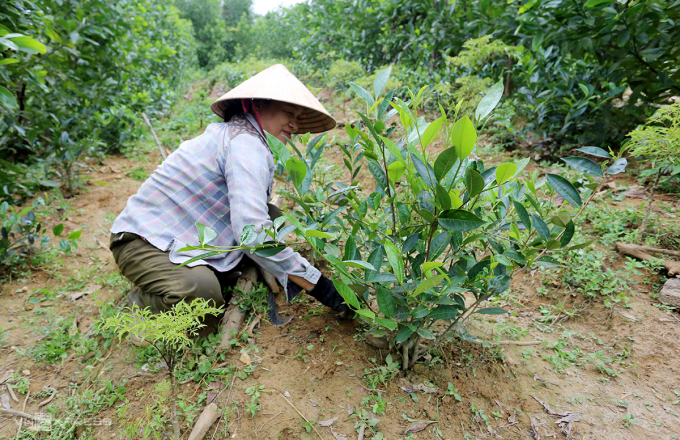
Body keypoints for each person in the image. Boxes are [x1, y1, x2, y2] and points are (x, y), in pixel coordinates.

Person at [109, 64, 348, 344]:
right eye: (288, 113)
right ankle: (141, 303)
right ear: (257, 106)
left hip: (183, 233)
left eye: (298, 117)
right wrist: (321, 288)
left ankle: (234, 269)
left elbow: (256, 216)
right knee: (203, 294)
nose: (295, 125)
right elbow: (252, 229)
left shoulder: (244, 136)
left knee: (272, 214)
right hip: (142, 242)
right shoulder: (245, 143)